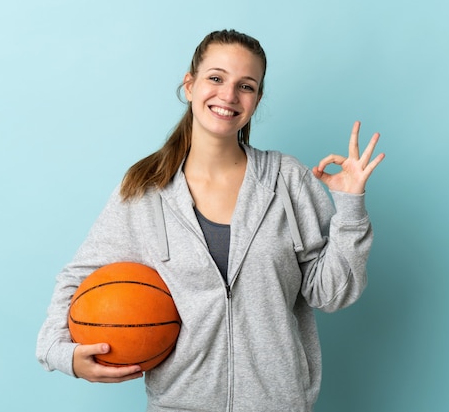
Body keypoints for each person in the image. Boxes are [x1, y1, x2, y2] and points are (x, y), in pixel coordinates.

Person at [36, 29, 384, 411]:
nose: (228, 95)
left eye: (246, 86)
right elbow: (77, 279)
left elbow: (331, 294)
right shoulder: (146, 188)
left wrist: (350, 205)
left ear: (257, 99)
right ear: (190, 85)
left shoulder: (288, 180)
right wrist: (60, 353)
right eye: (216, 78)